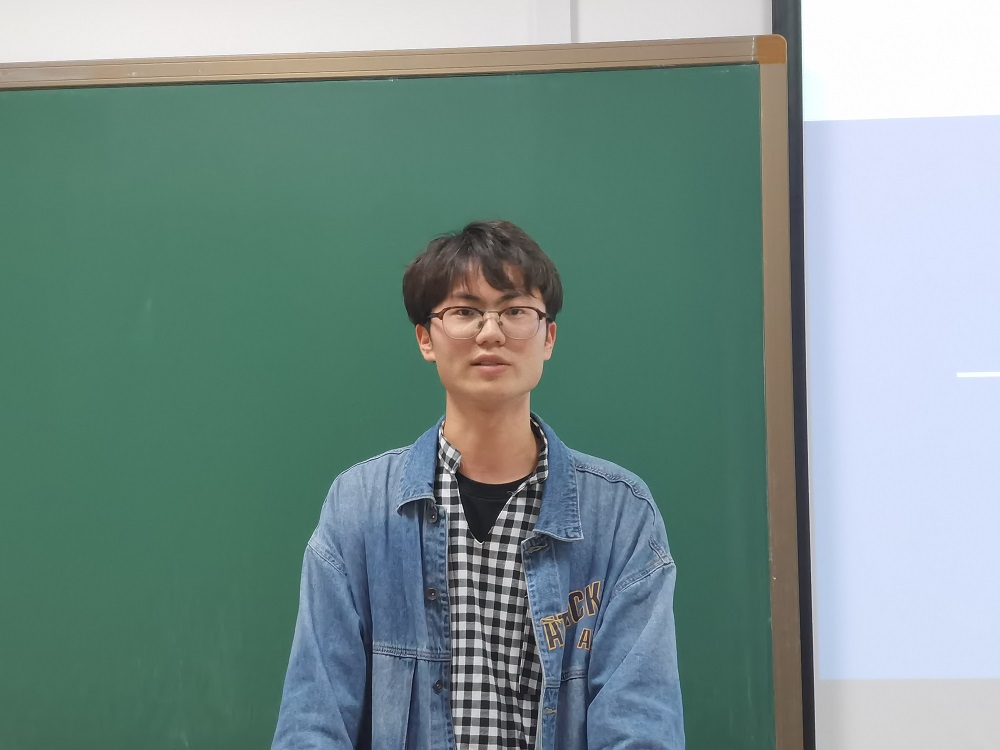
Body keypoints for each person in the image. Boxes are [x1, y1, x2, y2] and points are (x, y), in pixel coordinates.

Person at [271, 220, 684, 749]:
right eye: (465, 312)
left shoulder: (620, 516)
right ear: (425, 337)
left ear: (548, 337)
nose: (491, 333)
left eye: (515, 311)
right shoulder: (359, 507)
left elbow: (640, 729)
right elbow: (313, 723)